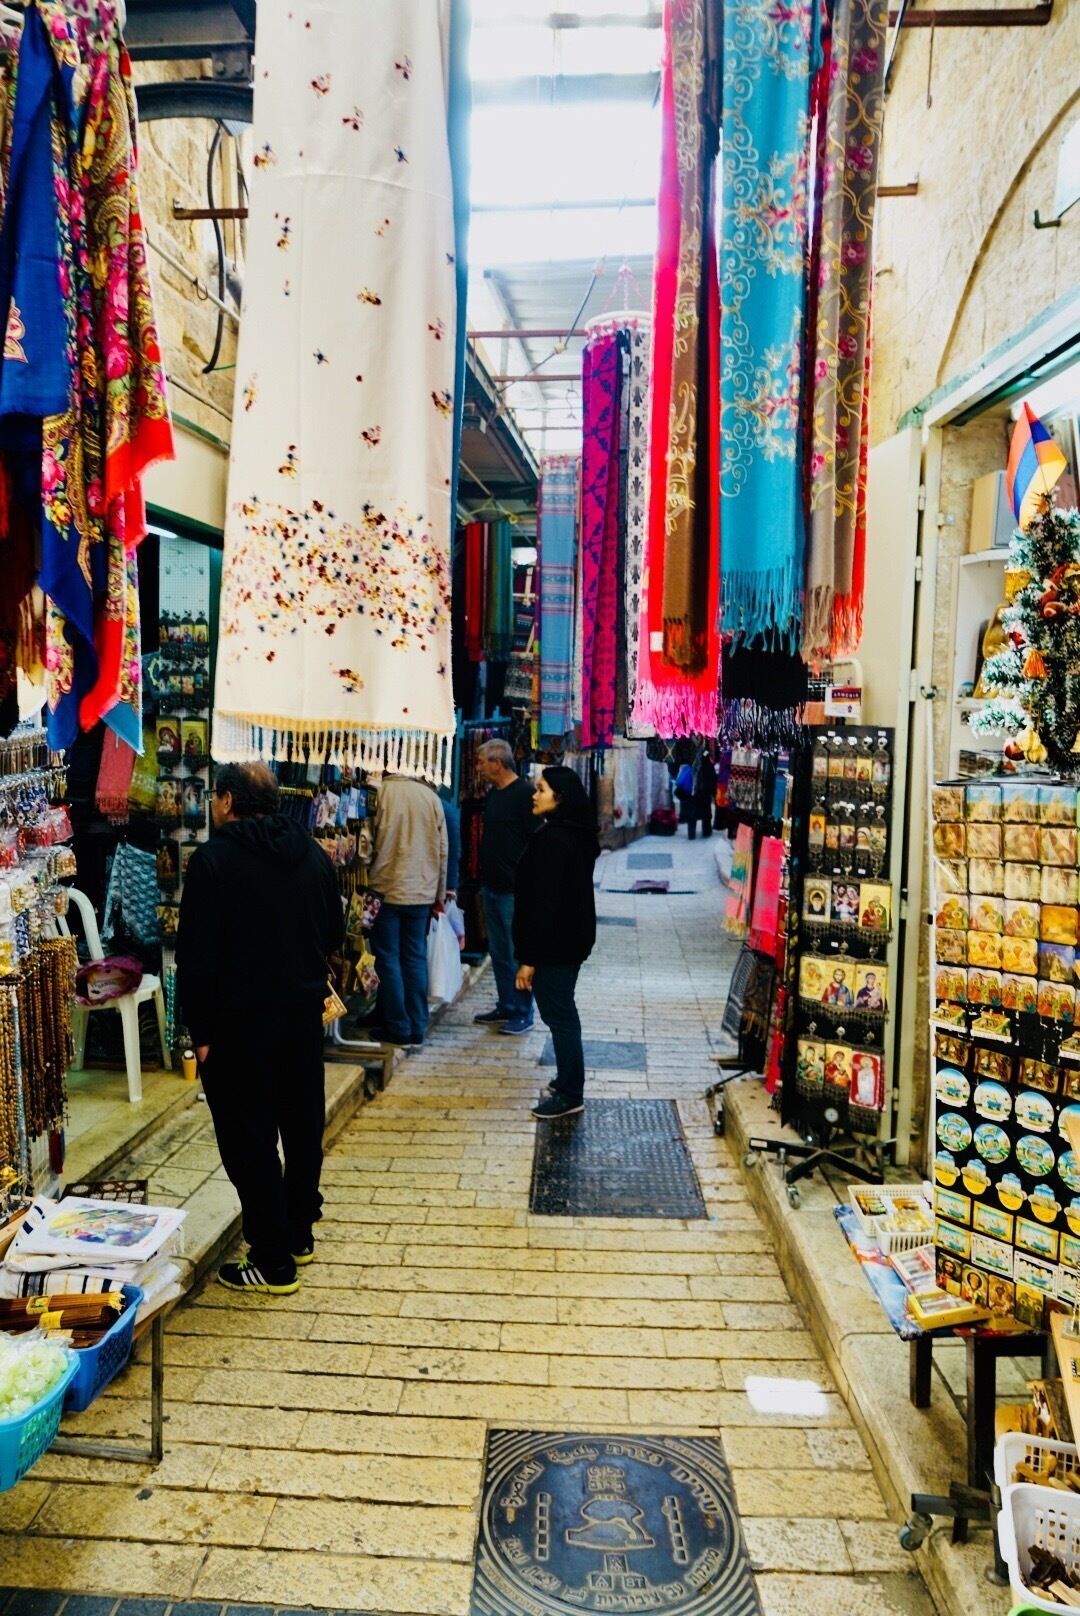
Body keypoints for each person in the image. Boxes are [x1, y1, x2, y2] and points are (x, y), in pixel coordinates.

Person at [176, 762, 343, 1296]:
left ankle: (272, 1261)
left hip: (237, 1027)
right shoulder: (313, 855)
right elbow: (334, 933)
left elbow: (196, 957)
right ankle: (298, 1235)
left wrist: (199, 1033)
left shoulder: (213, 861)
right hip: (299, 1022)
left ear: (226, 800)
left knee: (248, 1142)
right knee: (300, 1130)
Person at [513, 766, 600, 1120]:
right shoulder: (575, 834)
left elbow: (544, 904)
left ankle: (569, 1092)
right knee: (561, 1011)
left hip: (556, 944)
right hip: (570, 939)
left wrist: (529, 958)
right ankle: (567, 1081)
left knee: (559, 1014)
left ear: (559, 798)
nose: (535, 795)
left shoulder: (554, 841)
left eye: (542, 789)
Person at [368, 774, 448, 1047]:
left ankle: (398, 1026)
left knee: (387, 958)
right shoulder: (431, 798)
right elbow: (442, 851)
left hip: (386, 887)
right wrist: (439, 895)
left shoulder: (381, 793)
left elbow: (367, 842)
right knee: (414, 957)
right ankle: (416, 1025)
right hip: (422, 892)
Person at [473, 738, 536, 1035]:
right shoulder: (494, 795)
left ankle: (523, 1011)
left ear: (497, 763)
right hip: (492, 885)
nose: (480, 768)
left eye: (482, 762)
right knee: (498, 952)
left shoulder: (525, 794)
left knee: (516, 952)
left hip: (515, 889)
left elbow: (537, 842)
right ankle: (506, 1004)